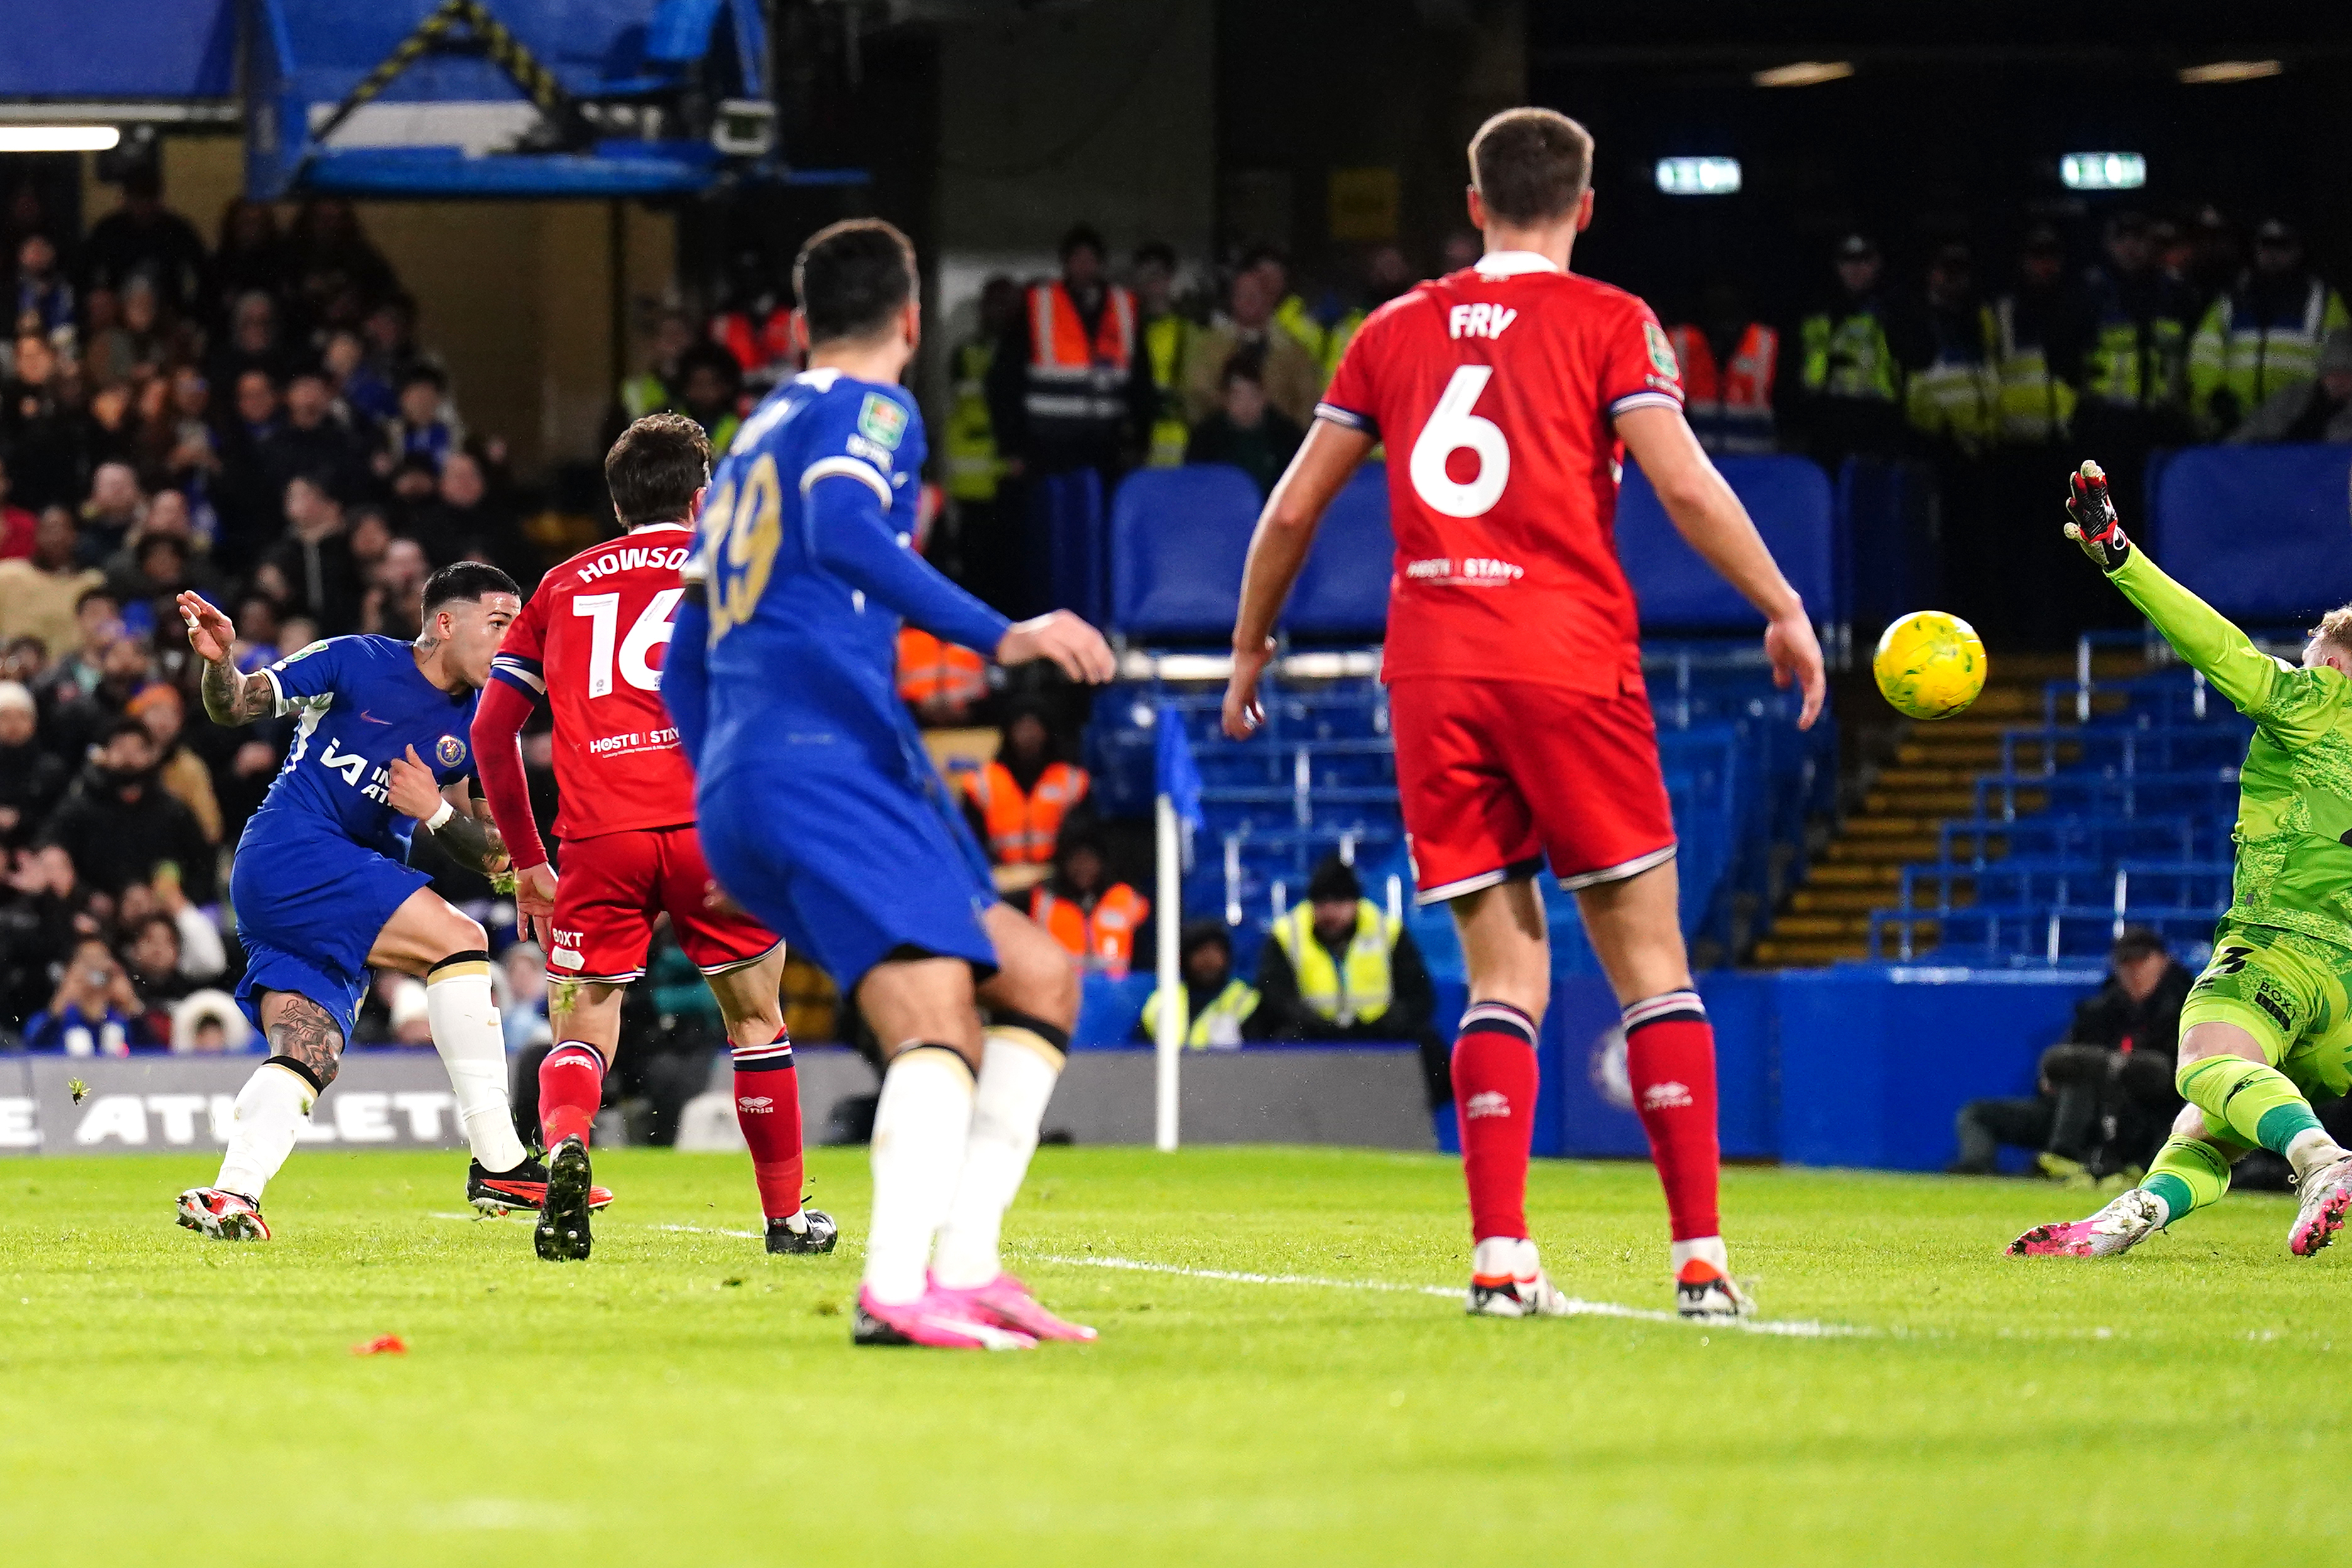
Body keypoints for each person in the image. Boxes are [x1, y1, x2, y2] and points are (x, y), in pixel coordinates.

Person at [1220, 107, 1826, 1320]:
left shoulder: (1389, 331)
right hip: (1565, 657)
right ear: (1584, 206)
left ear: (1474, 194)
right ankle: (1698, 1261)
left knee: (1500, 976)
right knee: (1649, 966)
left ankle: (1499, 1257)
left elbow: (1289, 511)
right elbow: (1682, 482)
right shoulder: (1611, 322)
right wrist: (1780, 603)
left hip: (1435, 670)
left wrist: (1247, 651)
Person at [663, 216, 1119, 1348]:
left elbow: (679, 656)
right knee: (934, 1019)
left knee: (1040, 972)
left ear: (799, 319)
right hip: (822, 764)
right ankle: (897, 1286)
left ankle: (965, 1262)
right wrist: (1000, 632)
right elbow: (841, 524)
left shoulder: (748, 438)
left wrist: (724, 807)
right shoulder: (870, 410)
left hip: (769, 773)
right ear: (909, 321)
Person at [470, 412, 837, 1262]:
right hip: (713, 829)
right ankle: (785, 1221)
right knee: (756, 1022)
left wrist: (528, 862)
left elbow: (493, 734)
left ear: (617, 499)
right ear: (704, 494)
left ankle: (566, 1149)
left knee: (585, 1026)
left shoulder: (561, 584)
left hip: (600, 837)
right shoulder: (740, 569)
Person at [169, 566, 596, 1241]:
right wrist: (221, 663)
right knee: (461, 941)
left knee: (310, 1050)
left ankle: (232, 1196)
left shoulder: (490, 724)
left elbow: (496, 854)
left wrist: (436, 814)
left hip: (330, 889)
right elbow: (238, 704)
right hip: (293, 849)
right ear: (445, 623)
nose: (517, 643)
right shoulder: (357, 659)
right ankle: (500, 1160)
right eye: (501, 625)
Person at [2014, 463, 2352, 1260]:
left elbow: (2220, 648)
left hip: (2282, 946)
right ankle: (2119, 1225)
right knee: (2218, 1117)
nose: (2299, 668)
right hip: (2346, 990)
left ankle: (2321, 1163)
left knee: (2203, 1060)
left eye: (2310, 655)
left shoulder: (2319, 701)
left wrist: (2119, 554)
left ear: (2334, 663)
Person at [1952, 927, 2190, 1177]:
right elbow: (2059, 1067)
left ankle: (2068, 1159)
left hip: (2143, 1121)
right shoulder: (2099, 1011)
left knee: (2087, 1074)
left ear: (2164, 961)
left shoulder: (2185, 1011)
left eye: (2142, 961)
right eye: (2125, 963)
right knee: (1977, 1114)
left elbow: (2170, 1079)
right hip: (2079, 1116)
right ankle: (1976, 1171)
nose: (2133, 971)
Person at [1255, 857, 1444, 1101]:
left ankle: (1419, 1117)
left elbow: (1418, 995)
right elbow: (1276, 998)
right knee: (1282, 1041)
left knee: (1428, 1045)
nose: (1330, 912)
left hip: (1378, 1033)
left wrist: (1385, 1022)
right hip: (1315, 1035)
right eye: (1321, 903)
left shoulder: (1387, 930)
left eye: (1339, 902)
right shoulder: (1286, 934)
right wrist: (1317, 1024)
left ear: (1356, 903)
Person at [989, 224, 1155, 489]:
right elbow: (1005, 380)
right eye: (1077, 258)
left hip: (1108, 446)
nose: (1084, 266)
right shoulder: (1038, 305)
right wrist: (1013, 447)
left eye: (1091, 259)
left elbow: (1141, 382)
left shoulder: (1123, 307)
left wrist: (1141, 440)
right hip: (1048, 447)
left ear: (1101, 264)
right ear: (1065, 263)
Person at [2188, 219, 2350, 437]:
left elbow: (2340, 368)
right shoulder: (2231, 300)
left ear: (2298, 250)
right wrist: (2214, 399)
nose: (2272, 253)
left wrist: (2317, 412)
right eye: (2266, 244)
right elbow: (2204, 357)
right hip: (2238, 426)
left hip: (2299, 426)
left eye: (2282, 246)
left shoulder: (2323, 302)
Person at [38, 717, 215, 903]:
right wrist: (86, 896)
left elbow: (201, 863)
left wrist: (177, 898)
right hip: (96, 909)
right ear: (103, 754)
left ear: (152, 756)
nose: (129, 757)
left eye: (138, 749)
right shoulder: (80, 807)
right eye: (120, 748)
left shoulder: (171, 811)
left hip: (163, 911)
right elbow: (51, 846)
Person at [1794, 234, 1908, 467]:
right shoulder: (1816, 310)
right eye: (1848, 260)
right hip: (1827, 422)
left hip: (1878, 425)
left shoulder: (1894, 310)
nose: (1856, 268)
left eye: (1864, 260)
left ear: (1877, 264)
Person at [960, 700, 1092, 875]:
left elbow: (1083, 835)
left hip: (1055, 876)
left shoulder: (1072, 780)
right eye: (1021, 728)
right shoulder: (982, 781)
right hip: (999, 874)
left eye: (1034, 728)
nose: (1028, 735)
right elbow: (969, 835)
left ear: (1046, 732)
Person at [1184, 266, 1322, 432]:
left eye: (1255, 295)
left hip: (1280, 445)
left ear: (1269, 299)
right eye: (1242, 294)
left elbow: (1308, 399)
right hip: (1220, 442)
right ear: (1232, 299)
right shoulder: (1209, 347)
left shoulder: (1293, 351)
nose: (1249, 301)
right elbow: (1196, 394)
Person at [1667, 280, 1779, 456]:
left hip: (1755, 464)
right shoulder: (1678, 341)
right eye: (1715, 287)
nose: (1722, 295)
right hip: (1694, 462)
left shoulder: (1766, 342)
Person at [1184, 350, 1306, 497]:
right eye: (1238, 396)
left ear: (1265, 396)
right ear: (1224, 398)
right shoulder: (1205, 438)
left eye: (1253, 395)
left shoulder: (1287, 437)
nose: (1246, 405)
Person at [1028, 830, 1148, 977]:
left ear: (1102, 863)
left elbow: (1149, 949)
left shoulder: (1125, 897)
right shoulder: (1044, 900)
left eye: (1089, 860)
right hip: (1063, 992)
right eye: (1076, 860)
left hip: (1117, 994)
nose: (1082, 867)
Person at [1136, 920, 1263, 1047]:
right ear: (1186, 959)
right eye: (1201, 952)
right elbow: (1138, 1054)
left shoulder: (1246, 1000)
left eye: (1216, 951)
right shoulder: (1162, 1001)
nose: (1209, 960)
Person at [0, 507, 102, 659]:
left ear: (75, 536)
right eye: (49, 530)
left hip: (73, 673)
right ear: (36, 535)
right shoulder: (7, 575)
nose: (56, 537)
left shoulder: (92, 583)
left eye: (62, 530)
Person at [2227, 329, 2352, 444]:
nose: (2337, 380)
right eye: (2331, 372)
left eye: (2345, 373)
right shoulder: (2295, 396)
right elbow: (2248, 433)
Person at [21, 935, 142, 1055]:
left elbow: (154, 1049)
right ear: (71, 968)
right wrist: (60, 1004)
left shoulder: (122, 1018)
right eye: (86, 960)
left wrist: (132, 1004)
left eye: (100, 958)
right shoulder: (54, 1018)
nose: (94, 966)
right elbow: (33, 1048)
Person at [1133, 243, 1195, 468]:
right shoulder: (1129, 329)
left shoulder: (1187, 330)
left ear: (1170, 279)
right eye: (1145, 276)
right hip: (1141, 435)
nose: (1152, 283)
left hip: (1180, 433)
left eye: (1157, 275)